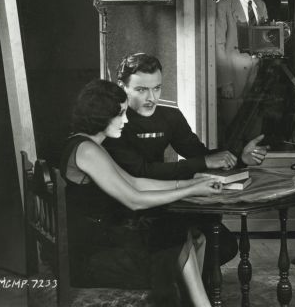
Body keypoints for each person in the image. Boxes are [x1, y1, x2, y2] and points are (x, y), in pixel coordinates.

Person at [103, 53, 268, 278]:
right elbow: (140, 172)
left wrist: (240, 158)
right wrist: (202, 162)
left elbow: (199, 154)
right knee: (203, 245)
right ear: (122, 87)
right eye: (141, 90)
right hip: (126, 210)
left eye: (157, 88)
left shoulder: (169, 115)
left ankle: (192, 291)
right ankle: (187, 291)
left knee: (225, 245)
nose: (151, 98)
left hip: (165, 204)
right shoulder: (114, 121)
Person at [61, 79, 223, 306]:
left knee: (186, 232)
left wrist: (190, 183)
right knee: (176, 233)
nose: (125, 121)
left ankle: (197, 303)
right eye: (120, 114)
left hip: (97, 241)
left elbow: (136, 182)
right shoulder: (87, 150)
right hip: (92, 255)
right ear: (101, 115)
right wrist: (192, 189)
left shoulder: (88, 145)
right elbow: (135, 200)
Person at [215, 0, 268, 139]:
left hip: (256, 74)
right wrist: (225, 82)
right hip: (233, 76)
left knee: (254, 125)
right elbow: (218, 46)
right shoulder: (223, 5)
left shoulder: (261, 5)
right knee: (232, 129)